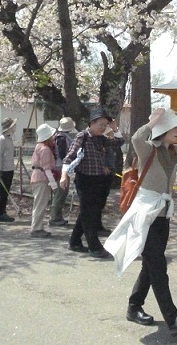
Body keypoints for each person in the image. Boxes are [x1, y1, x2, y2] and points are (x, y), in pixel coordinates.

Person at [104, 108, 177, 338]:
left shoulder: (173, 152)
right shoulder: (147, 148)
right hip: (145, 214)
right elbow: (137, 137)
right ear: (163, 131)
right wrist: (153, 122)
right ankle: (173, 318)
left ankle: (133, 306)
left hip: (162, 215)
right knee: (158, 266)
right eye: (174, 129)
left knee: (151, 265)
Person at [59, 107, 123, 258]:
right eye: (100, 124)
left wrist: (114, 129)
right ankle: (94, 246)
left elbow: (119, 143)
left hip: (99, 180)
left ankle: (74, 241)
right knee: (90, 213)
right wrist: (64, 175)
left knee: (89, 212)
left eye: (105, 124)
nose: (103, 127)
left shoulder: (102, 138)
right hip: (85, 179)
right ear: (91, 123)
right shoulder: (82, 136)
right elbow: (69, 156)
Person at [30, 123, 58, 238]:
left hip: (37, 177)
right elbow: (46, 168)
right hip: (42, 178)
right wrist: (53, 183)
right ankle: (36, 228)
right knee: (40, 204)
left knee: (38, 204)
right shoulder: (45, 149)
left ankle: (37, 227)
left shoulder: (39, 146)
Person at [49, 117, 77, 227]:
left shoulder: (59, 136)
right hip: (61, 167)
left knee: (61, 192)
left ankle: (57, 216)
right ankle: (55, 217)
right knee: (61, 192)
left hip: (60, 167)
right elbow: (62, 154)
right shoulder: (61, 138)